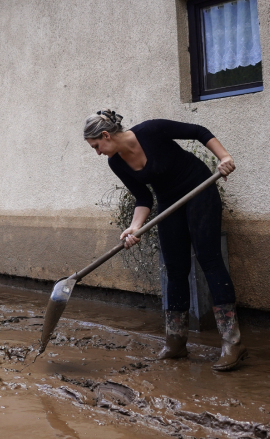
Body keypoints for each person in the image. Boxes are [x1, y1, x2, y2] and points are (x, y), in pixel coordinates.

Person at [83, 110, 246, 371]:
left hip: (199, 189)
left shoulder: (152, 131)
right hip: (170, 203)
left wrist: (224, 157)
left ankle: (232, 343)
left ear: (105, 135)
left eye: (96, 146)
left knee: (209, 259)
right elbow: (143, 198)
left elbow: (198, 132)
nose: (97, 152)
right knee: (175, 269)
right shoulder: (117, 163)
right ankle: (176, 342)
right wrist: (134, 228)